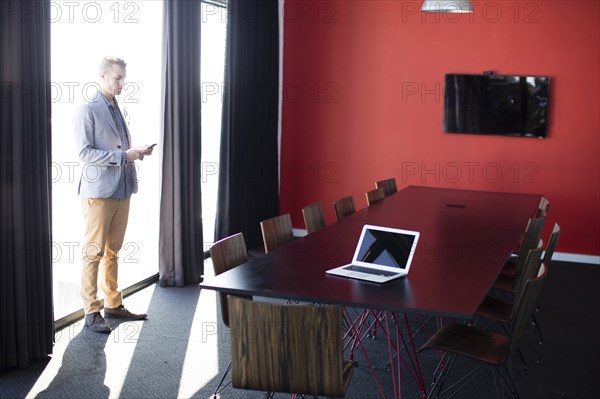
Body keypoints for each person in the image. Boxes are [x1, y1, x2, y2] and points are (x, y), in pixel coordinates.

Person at [74, 56, 154, 333]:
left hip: (122, 188)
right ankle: (91, 311)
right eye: (117, 78)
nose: (122, 83)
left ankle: (113, 304)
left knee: (113, 251)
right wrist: (123, 156)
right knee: (93, 251)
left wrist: (137, 153)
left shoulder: (119, 109)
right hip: (99, 192)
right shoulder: (88, 109)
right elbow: (85, 153)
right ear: (102, 76)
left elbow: (120, 148)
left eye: (124, 78)